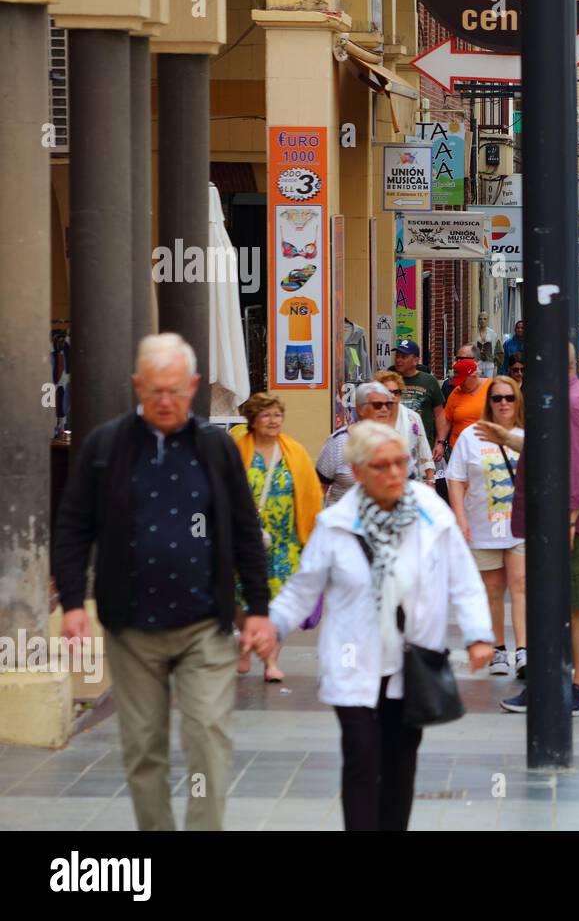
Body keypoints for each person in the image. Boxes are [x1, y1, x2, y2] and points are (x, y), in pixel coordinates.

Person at [53, 333, 270, 831]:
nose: (166, 402)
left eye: (175, 390)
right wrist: (71, 603)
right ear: (137, 387)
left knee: (208, 739)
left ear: (193, 386)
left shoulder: (215, 447)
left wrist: (257, 608)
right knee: (143, 747)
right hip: (132, 626)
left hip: (204, 626)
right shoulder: (105, 446)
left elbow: (242, 529)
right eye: (154, 392)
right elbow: (73, 527)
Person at [250, 422, 493, 831]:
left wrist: (478, 635)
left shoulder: (431, 513)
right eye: (382, 466)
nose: (396, 473)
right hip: (354, 663)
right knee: (362, 758)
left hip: (413, 663)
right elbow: (302, 588)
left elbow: (464, 578)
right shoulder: (335, 524)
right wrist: (271, 626)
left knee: (401, 762)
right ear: (359, 472)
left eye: (400, 463)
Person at [490, 344, 579, 715]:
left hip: (566, 525)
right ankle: (545, 683)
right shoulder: (563, 399)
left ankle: (578, 689)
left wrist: (568, 521)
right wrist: (508, 438)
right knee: (552, 607)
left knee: (572, 608)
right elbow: (550, 449)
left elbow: (577, 466)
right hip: (553, 522)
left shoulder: (570, 403)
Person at [233, 392, 324, 683]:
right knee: (240, 598)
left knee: (281, 601)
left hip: (285, 540)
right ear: (253, 420)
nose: (273, 421)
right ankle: (246, 645)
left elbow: (310, 493)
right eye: (266, 415)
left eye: (277, 415)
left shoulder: (293, 451)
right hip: (244, 540)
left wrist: (311, 535)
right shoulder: (236, 449)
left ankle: (271, 659)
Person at [447, 374, 527, 681]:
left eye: (509, 397)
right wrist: (460, 518)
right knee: (493, 590)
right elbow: (455, 479)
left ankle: (523, 649)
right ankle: (498, 649)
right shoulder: (471, 436)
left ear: (517, 400)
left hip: (520, 524)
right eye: (497, 398)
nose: (504, 403)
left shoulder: (525, 434)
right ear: (488, 403)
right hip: (482, 525)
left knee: (520, 586)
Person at [317, 382, 404, 506]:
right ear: (360, 409)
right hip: (346, 521)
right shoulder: (338, 441)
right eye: (377, 405)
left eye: (388, 405)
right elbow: (319, 488)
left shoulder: (395, 441)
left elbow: (407, 484)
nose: (384, 409)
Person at [392, 339, 448, 464]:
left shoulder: (429, 381)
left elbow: (439, 414)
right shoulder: (389, 379)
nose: (398, 360)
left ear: (416, 360)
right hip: (393, 447)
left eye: (404, 356)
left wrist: (440, 442)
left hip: (423, 448)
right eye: (397, 356)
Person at [375, 370, 436, 485]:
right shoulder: (373, 418)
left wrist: (430, 481)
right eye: (388, 392)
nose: (392, 396)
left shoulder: (412, 418)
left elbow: (423, 450)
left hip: (410, 482)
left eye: (396, 392)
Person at [444, 357, 490, 451]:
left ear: (474, 375)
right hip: (458, 449)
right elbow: (446, 420)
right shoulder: (456, 392)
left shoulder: (492, 388)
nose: (460, 385)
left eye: (463, 381)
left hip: (483, 449)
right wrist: (440, 442)